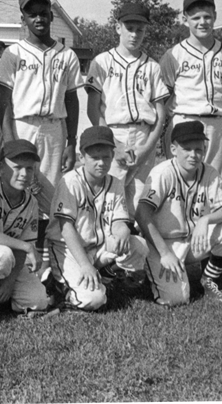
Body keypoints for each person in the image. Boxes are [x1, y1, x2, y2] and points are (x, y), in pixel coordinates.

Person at [0, 0, 82, 278]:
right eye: (32, 14)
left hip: (54, 127)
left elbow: (71, 99)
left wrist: (72, 141)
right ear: (23, 18)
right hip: (23, 125)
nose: (39, 18)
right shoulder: (13, 53)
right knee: (20, 190)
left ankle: (42, 266)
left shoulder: (66, 54)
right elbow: (3, 103)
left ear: (51, 15)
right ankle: (18, 259)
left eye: (44, 13)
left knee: (49, 196)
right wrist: (9, 142)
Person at [135, 121, 222, 306]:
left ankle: (208, 280)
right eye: (187, 149)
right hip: (163, 244)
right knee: (176, 299)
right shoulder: (163, 173)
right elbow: (142, 213)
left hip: (193, 241)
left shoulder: (208, 172)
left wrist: (206, 220)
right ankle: (148, 272)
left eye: (198, 149)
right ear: (173, 149)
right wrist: (165, 253)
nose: (193, 155)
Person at [46, 126, 149, 311]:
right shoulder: (70, 182)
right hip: (68, 250)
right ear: (82, 157)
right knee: (94, 300)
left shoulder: (115, 183)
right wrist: (85, 264)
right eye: (94, 157)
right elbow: (66, 228)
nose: (101, 162)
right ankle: (60, 287)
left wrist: (123, 230)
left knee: (138, 245)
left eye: (106, 157)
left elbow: (119, 220)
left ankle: (106, 277)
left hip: (98, 247)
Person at [85, 2, 170, 219]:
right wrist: (116, 145)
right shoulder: (101, 61)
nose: (134, 34)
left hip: (144, 135)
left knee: (141, 199)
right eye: (129, 28)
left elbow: (161, 115)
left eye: (140, 29)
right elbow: (93, 109)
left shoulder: (152, 66)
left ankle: (138, 249)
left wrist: (147, 148)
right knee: (111, 196)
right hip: (113, 133)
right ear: (118, 27)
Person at [159, 0, 222, 182]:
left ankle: (210, 214)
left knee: (215, 182)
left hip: (217, 124)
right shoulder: (173, 54)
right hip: (183, 120)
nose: (202, 22)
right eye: (196, 17)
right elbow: (164, 97)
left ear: (215, 16)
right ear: (184, 19)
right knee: (180, 181)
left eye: (207, 16)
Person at [0, 139, 55, 315]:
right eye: (17, 167)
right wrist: (27, 247)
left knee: (38, 301)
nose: (24, 174)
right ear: (1, 168)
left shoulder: (31, 202)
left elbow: (23, 246)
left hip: (7, 262)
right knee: (3, 257)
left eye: (29, 168)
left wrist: (11, 281)